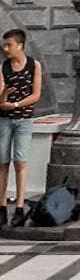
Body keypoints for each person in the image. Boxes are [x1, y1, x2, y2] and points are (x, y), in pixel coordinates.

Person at [0, 29, 42, 227]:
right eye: (4, 44)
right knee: (2, 162)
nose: (5, 48)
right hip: (5, 120)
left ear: (20, 45)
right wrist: (5, 97)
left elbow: (36, 95)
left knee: (21, 162)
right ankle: (1, 207)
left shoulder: (34, 66)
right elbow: (1, 100)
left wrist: (16, 104)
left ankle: (19, 206)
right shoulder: (3, 68)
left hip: (24, 120)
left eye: (9, 44)